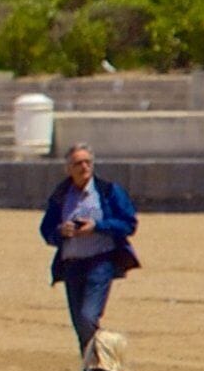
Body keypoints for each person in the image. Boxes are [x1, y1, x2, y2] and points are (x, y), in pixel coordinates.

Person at [38, 143, 139, 346]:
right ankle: (94, 364)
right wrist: (61, 231)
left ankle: (106, 354)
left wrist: (97, 226)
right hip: (72, 265)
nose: (84, 167)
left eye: (87, 162)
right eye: (78, 163)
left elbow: (128, 223)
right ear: (68, 169)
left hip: (100, 263)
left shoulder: (108, 191)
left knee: (88, 316)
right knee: (80, 324)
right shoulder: (60, 196)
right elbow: (46, 229)